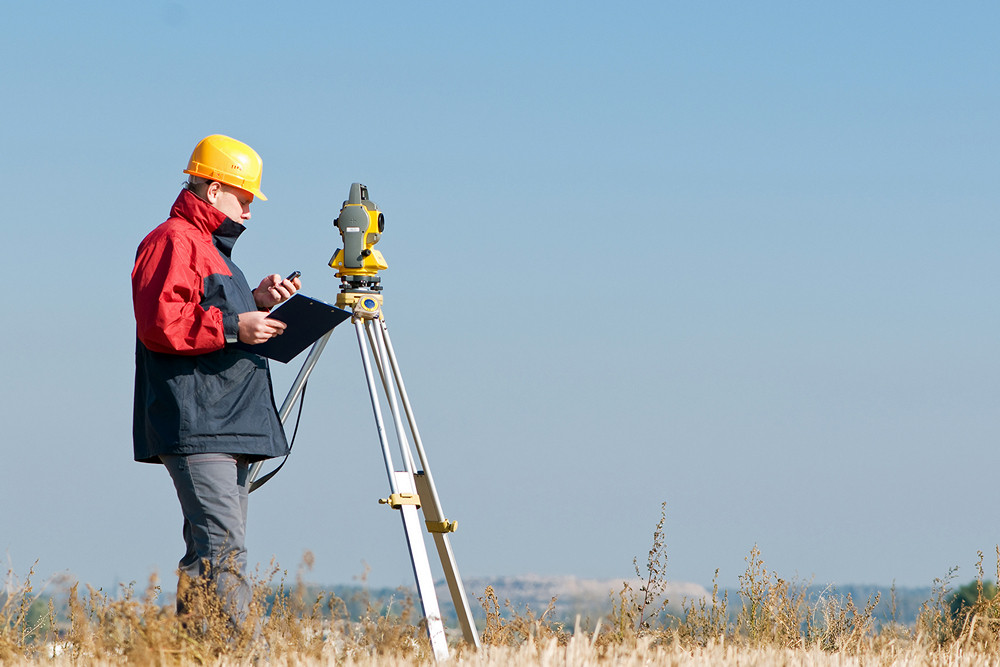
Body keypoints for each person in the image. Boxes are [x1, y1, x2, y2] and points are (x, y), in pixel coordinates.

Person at [131, 134, 301, 629]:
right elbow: (162, 325)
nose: (250, 212)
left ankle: (194, 653)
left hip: (225, 422)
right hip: (198, 421)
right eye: (244, 199)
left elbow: (203, 314)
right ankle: (233, 655)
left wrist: (256, 301)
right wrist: (235, 325)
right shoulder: (173, 240)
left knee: (210, 551)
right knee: (223, 550)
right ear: (212, 190)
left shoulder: (210, 249)